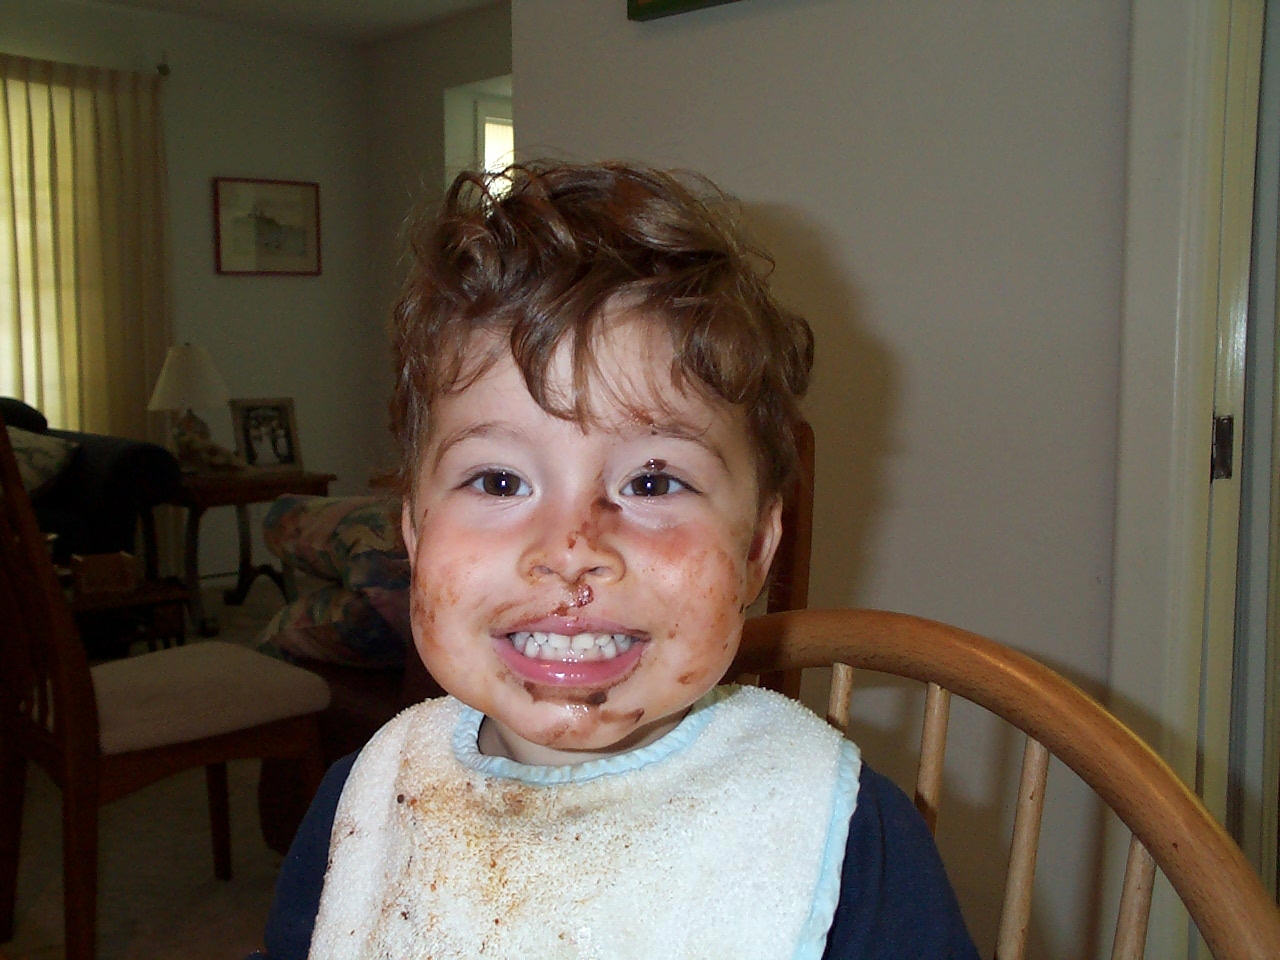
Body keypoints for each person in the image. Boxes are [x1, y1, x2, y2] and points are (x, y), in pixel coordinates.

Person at [252, 161, 979, 959]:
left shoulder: (846, 841)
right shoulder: (369, 805)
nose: (571, 551)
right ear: (416, 537)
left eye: (652, 482)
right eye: (499, 481)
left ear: (755, 550)